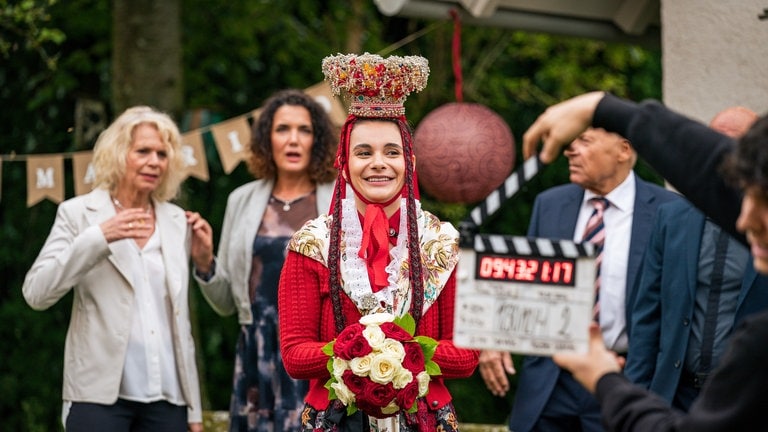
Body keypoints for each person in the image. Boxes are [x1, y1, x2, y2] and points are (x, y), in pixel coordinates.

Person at [523, 90, 768, 430]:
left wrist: (606, 380)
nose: (745, 219)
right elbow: (648, 317)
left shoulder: (758, 343)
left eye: (754, 193)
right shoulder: (675, 218)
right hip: (664, 390)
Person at [277, 52, 479, 431]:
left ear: (410, 161)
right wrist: (357, 352)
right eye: (363, 152)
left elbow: (467, 355)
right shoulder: (311, 244)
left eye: (392, 152)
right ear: (344, 162)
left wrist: (401, 351)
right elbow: (293, 355)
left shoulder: (442, 243)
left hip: (425, 419)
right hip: (335, 419)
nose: (378, 163)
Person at [22, 106, 213, 432]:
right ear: (117, 154)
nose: (154, 161)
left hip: (169, 398)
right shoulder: (78, 213)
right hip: (98, 397)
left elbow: (181, 325)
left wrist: (205, 261)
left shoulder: (176, 221)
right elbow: (36, 292)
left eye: (162, 154)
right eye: (143, 151)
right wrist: (99, 237)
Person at [483, 124, 681, 431]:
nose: (569, 150)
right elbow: (527, 286)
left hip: (624, 379)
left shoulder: (669, 211)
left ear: (623, 150)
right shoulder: (549, 204)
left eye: (585, 141)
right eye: (571, 141)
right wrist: (496, 337)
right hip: (551, 380)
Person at [195, 89, 337, 431]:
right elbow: (228, 303)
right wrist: (204, 263)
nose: (293, 140)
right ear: (266, 139)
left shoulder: (338, 198)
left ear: (317, 140)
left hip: (319, 351)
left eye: (304, 130)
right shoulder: (240, 201)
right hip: (256, 351)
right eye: (282, 129)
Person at [624, 107, 768, 411]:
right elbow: (647, 316)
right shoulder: (672, 217)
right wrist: (634, 397)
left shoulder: (762, 228)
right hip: (675, 396)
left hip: (746, 401)